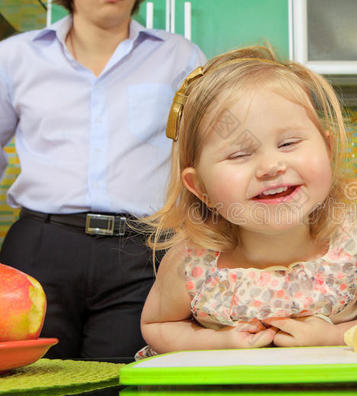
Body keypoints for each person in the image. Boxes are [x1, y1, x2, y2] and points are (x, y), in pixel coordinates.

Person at [136, 45, 357, 357]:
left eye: (288, 143)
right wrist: (217, 342)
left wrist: (334, 335)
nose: (270, 167)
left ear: (328, 151)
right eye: (239, 154)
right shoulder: (191, 260)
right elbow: (159, 325)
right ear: (200, 187)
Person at [0, 0, 206, 358]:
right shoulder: (14, 56)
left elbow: (202, 151)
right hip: (40, 246)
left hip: (142, 249)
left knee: (120, 383)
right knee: (30, 380)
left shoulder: (179, 57)